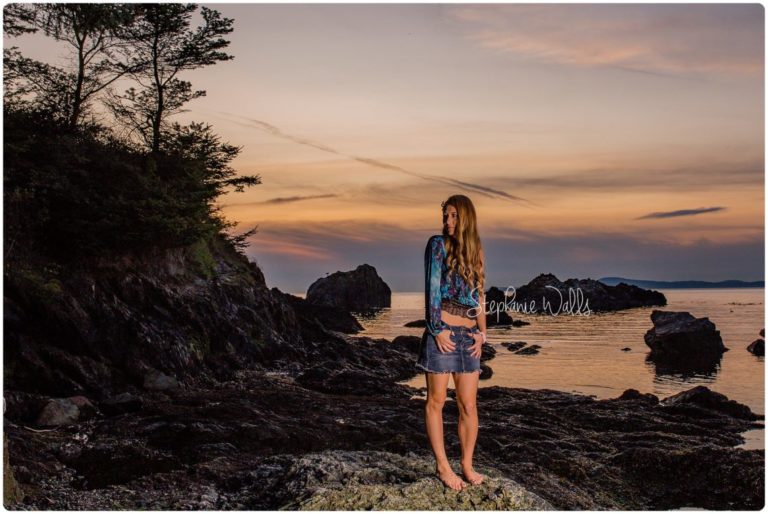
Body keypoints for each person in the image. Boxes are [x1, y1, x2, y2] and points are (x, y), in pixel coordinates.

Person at [416, 194, 487, 491]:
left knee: (468, 405)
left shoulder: (475, 250)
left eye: (454, 216)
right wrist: (436, 328)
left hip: (469, 338)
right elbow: (432, 289)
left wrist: (483, 333)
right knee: (436, 401)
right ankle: (443, 467)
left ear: (466, 217)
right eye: (445, 215)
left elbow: (480, 294)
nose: (447, 221)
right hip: (442, 334)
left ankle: (467, 465)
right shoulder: (437, 245)